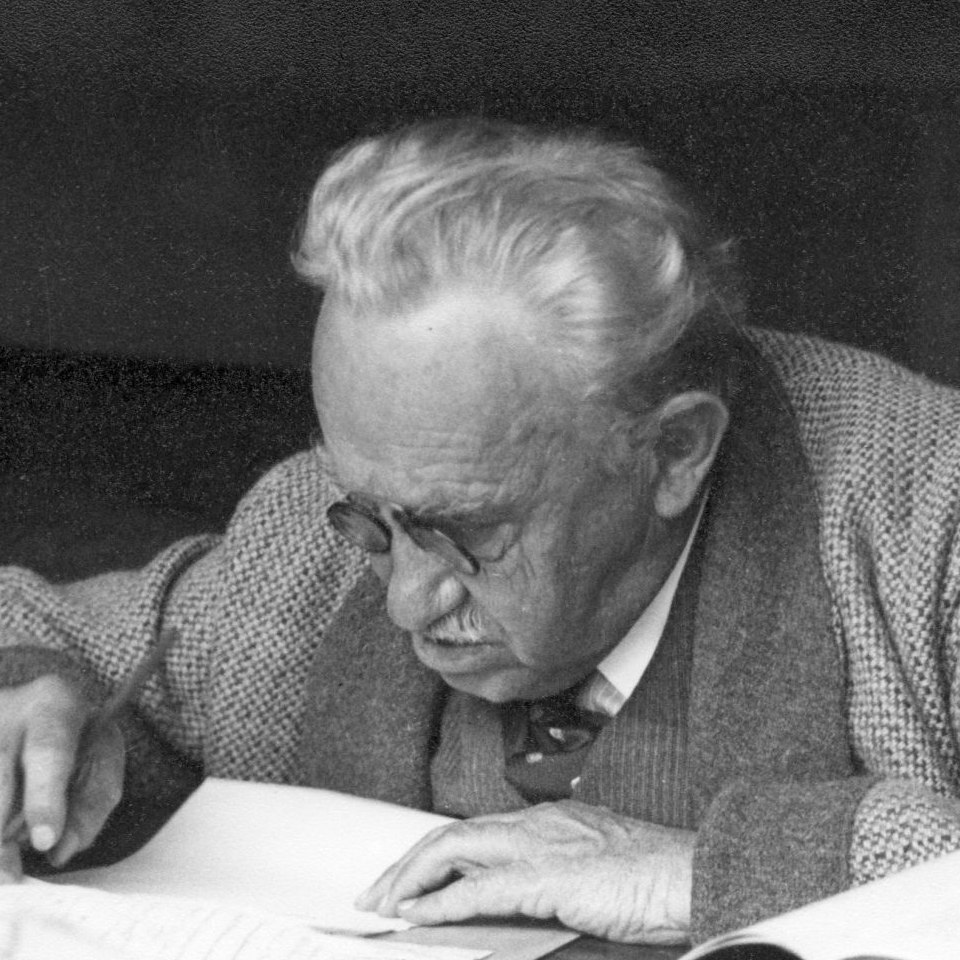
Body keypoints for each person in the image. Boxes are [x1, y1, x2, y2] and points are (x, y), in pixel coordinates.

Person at [2, 117, 960, 947]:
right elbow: (48, 638)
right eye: (373, 523)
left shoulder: (928, 524)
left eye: (466, 533)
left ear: (674, 452)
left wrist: (712, 872)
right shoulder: (315, 539)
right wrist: (38, 701)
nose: (405, 602)